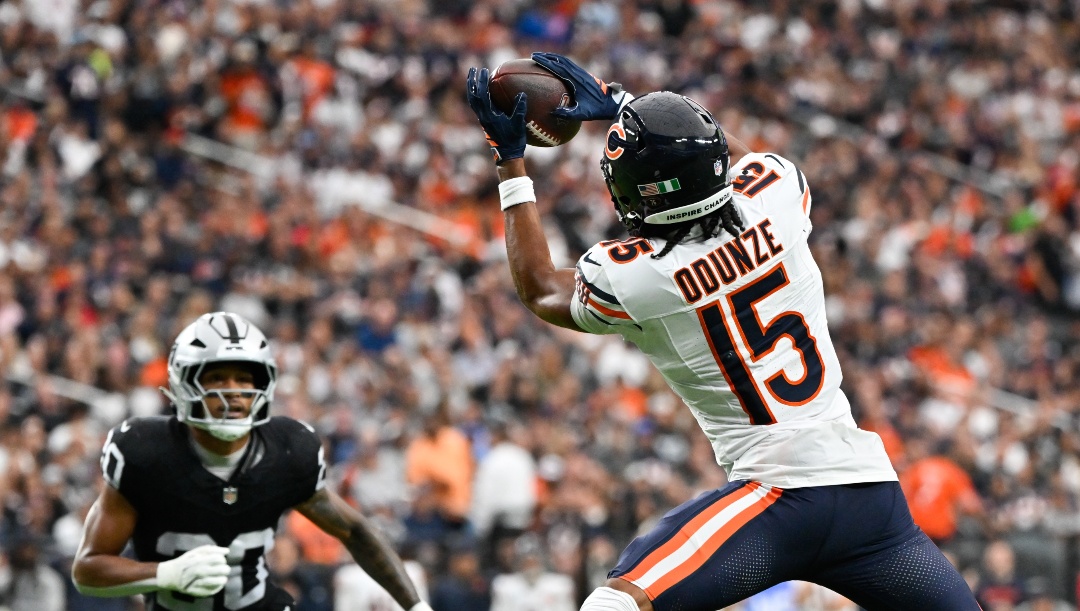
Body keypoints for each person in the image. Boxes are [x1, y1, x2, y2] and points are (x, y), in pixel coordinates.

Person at [465, 53, 982, 611]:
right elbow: (734, 156)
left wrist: (510, 162)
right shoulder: (776, 196)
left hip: (776, 502)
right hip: (868, 498)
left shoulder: (642, 273)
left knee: (614, 606)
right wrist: (628, 105)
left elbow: (541, 288)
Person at [71, 312, 432, 611]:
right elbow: (87, 570)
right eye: (216, 378)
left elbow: (356, 530)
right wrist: (164, 574)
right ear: (184, 383)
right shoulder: (145, 453)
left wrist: (416, 607)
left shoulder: (288, 452)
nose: (234, 393)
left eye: (244, 379)